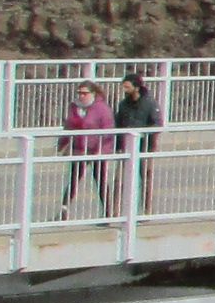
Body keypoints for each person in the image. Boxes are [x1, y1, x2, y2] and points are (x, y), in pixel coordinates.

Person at [59, 80, 115, 217]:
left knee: (100, 180)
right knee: (73, 180)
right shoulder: (74, 107)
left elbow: (108, 130)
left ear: (93, 93)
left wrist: (102, 150)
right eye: (79, 93)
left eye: (85, 93)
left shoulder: (102, 108)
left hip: (97, 150)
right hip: (79, 149)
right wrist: (62, 144)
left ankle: (108, 212)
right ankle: (63, 212)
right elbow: (69, 126)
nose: (81, 96)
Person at [112, 70, 162, 211]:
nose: (124, 90)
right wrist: (118, 145)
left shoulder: (150, 103)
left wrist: (144, 135)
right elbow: (118, 124)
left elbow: (157, 124)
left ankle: (147, 210)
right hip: (125, 147)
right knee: (119, 180)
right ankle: (115, 212)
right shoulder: (123, 105)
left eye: (127, 87)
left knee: (145, 179)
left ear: (137, 87)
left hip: (145, 147)